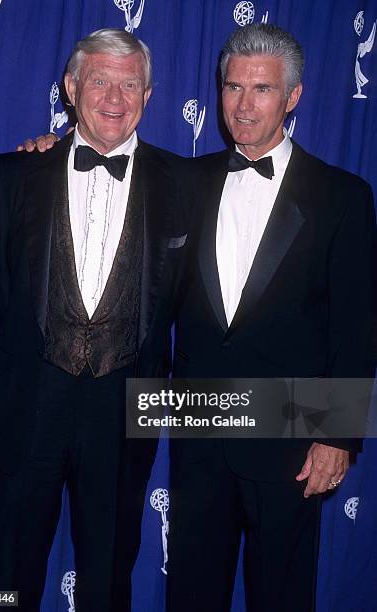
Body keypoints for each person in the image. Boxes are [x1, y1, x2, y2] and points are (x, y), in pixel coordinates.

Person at [167, 24, 377, 612]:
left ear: (293, 96)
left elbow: (356, 327)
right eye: (233, 87)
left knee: (283, 596)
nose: (242, 105)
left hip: (291, 439)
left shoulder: (343, 196)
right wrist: (45, 150)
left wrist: (338, 437)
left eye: (261, 89)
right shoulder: (185, 181)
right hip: (200, 429)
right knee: (191, 592)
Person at [0, 28, 188, 612]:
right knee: (8, 570)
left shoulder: (185, 185)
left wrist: (318, 410)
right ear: (71, 88)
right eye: (99, 80)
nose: (114, 97)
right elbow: (3, 286)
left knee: (109, 573)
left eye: (130, 84)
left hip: (125, 409)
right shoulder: (14, 176)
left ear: (148, 96)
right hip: (30, 397)